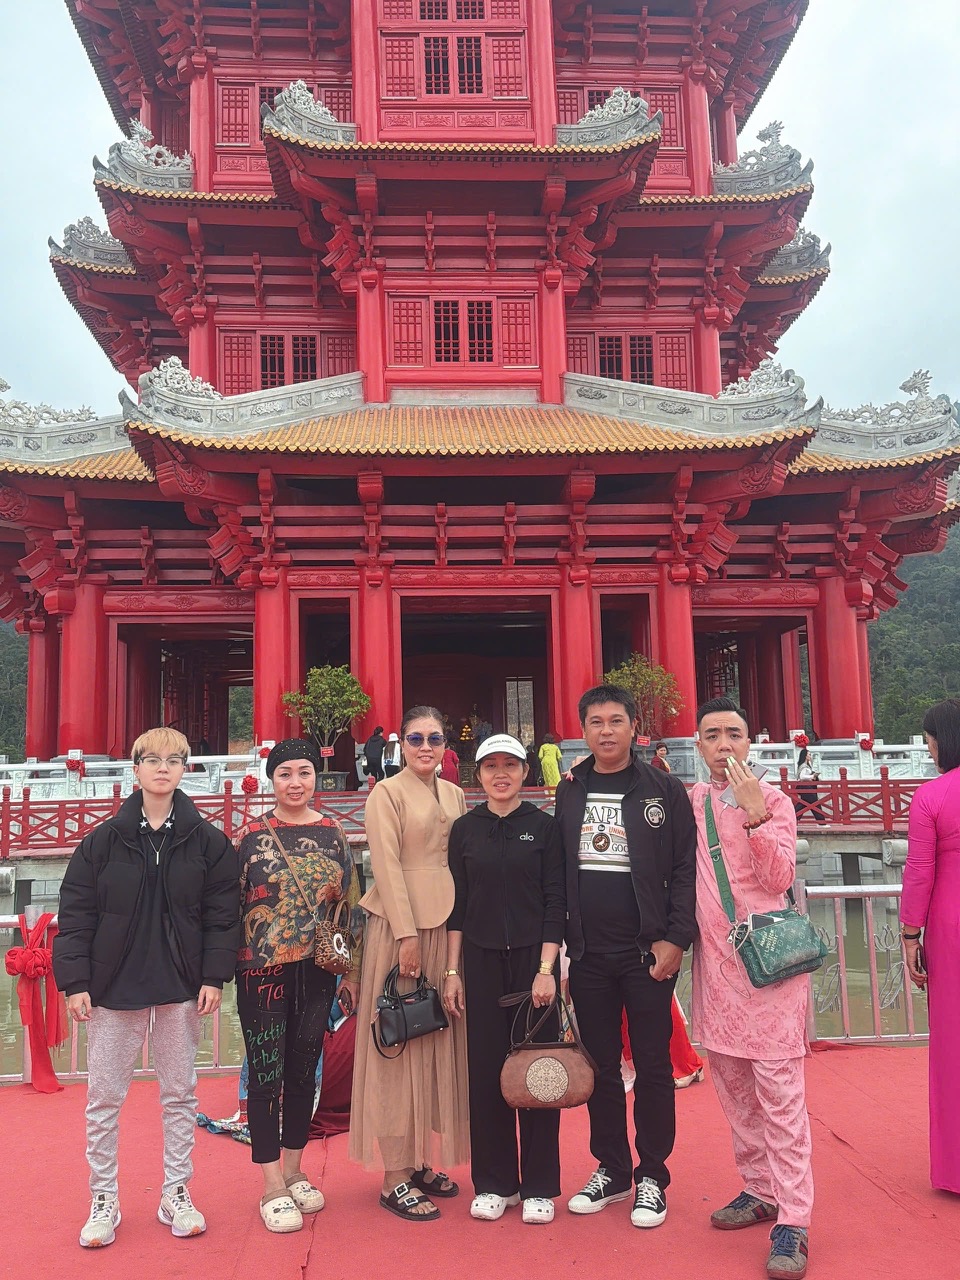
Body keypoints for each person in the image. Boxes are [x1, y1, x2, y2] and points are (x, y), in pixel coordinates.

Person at [52, 728, 240, 1250]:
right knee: (104, 1098)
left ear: (185, 770)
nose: (163, 768)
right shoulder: (102, 842)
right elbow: (76, 914)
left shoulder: (208, 842)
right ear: (134, 769)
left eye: (174, 760)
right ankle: (104, 1197)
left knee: (179, 1095)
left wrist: (213, 976)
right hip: (114, 987)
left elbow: (223, 916)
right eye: (152, 759)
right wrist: (75, 982)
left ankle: (176, 1191)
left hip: (181, 986)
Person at [555, 684, 697, 1229]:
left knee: (654, 1065)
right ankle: (612, 1169)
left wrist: (676, 938)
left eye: (616, 720)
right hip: (588, 952)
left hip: (646, 951)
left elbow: (684, 868)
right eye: (596, 722)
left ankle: (653, 1174)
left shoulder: (662, 789)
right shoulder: (571, 789)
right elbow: (557, 871)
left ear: (635, 726)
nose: (606, 731)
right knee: (601, 1067)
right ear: (583, 730)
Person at [692, 696, 812, 1280]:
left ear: (750, 741)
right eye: (712, 735)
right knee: (735, 1092)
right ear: (698, 745)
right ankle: (759, 1187)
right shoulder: (692, 802)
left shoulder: (775, 801)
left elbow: (780, 877)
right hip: (718, 974)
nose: (724, 745)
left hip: (770, 971)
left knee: (781, 1098)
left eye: (733, 734)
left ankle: (794, 1218)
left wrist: (755, 815)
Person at [235, 738, 363, 1233]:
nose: (295, 783)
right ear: (271, 779)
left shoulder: (333, 833)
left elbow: (348, 905)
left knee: (304, 1070)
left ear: (316, 777)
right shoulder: (249, 835)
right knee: (266, 1074)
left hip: (318, 969)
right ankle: (270, 1182)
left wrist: (351, 971)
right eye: (285, 773)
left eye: (304, 772)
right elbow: (229, 906)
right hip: (261, 970)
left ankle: (294, 1169)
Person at [349, 705, 469, 1220]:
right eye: (416, 738)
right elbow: (386, 864)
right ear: (401, 743)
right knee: (398, 1042)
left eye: (434, 738)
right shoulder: (386, 793)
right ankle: (393, 1174)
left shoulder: (454, 794)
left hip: (446, 926)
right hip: (401, 928)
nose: (425, 747)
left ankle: (418, 1159)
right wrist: (405, 935)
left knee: (433, 1037)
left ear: (445, 745)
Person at [443, 734, 565, 1225]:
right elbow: (457, 905)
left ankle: (539, 1184)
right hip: (480, 958)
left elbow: (556, 901)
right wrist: (452, 971)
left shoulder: (544, 826)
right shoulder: (465, 830)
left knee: (540, 1072)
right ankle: (495, 1182)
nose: (501, 774)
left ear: (524, 771)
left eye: (510, 765)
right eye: (490, 766)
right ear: (478, 775)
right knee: (488, 1072)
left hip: (534, 964)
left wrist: (546, 970)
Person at [900, 698, 960, 1195]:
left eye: (929, 740)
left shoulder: (932, 796)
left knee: (952, 1042)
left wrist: (909, 935)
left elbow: (920, 871)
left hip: (950, 925)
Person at [795, 747, 826, 824]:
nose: (810, 756)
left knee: (803, 804)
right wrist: (812, 776)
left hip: (807, 787)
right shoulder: (803, 766)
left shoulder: (807, 766)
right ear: (805, 756)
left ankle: (793, 818)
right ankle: (821, 822)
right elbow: (802, 777)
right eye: (809, 754)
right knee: (815, 803)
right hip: (805, 787)